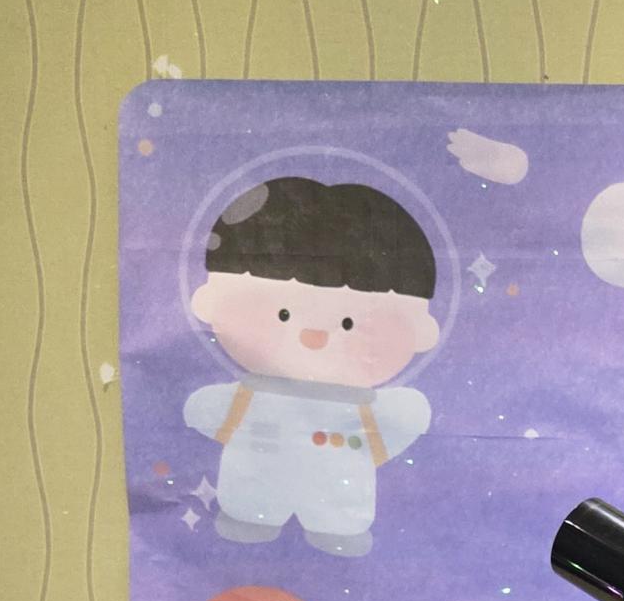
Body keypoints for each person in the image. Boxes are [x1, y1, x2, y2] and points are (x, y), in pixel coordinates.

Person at [185, 175, 438, 557]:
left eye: (349, 323)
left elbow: (397, 423)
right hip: (256, 483)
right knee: (253, 505)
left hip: (338, 495)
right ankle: (252, 518)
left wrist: (404, 413)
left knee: (333, 510)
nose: (315, 336)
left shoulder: (359, 407)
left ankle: (334, 527)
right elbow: (209, 411)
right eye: (283, 314)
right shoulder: (252, 395)